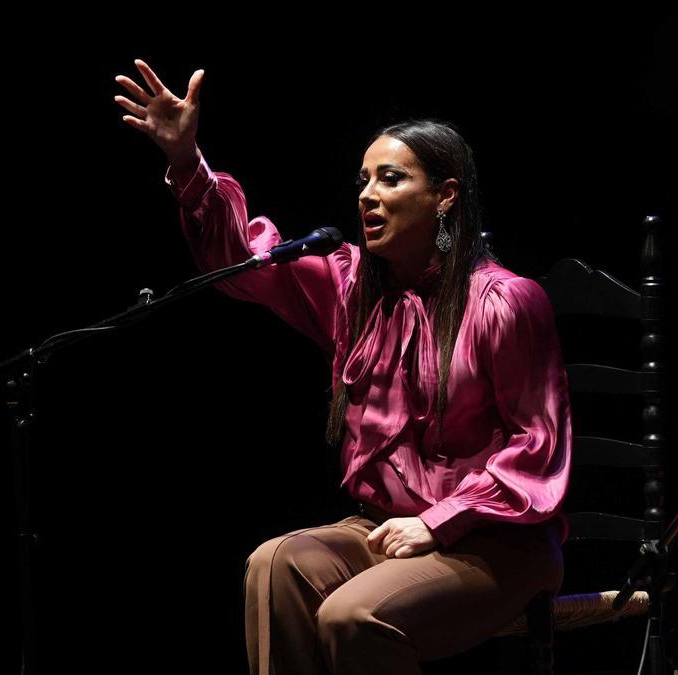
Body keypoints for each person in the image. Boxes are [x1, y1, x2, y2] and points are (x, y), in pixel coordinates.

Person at [114, 60, 571, 675]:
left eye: (390, 179)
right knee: (272, 566)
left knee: (350, 616)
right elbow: (246, 259)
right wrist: (186, 161)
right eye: (363, 180)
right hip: (384, 528)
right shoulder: (353, 286)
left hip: (498, 540)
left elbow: (535, 449)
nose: (366, 195)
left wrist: (438, 523)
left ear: (446, 195)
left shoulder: (506, 302)